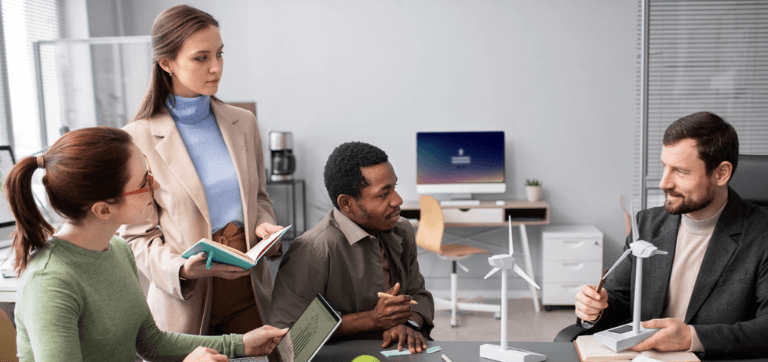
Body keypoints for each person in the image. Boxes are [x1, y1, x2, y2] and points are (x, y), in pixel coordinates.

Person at [6, 127, 287, 361]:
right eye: (143, 181)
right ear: (104, 210)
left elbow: (151, 342)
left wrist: (243, 344)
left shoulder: (117, 250)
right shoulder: (50, 282)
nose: (155, 185)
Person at [119, 4, 283, 336]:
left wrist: (264, 224)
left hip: (250, 292)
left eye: (220, 54)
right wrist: (183, 270)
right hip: (185, 299)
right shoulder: (136, 138)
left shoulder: (244, 123)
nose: (216, 68)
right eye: (201, 58)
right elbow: (137, 238)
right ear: (167, 63)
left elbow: (259, 199)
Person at [574, 112, 768, 359]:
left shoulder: (761, 234)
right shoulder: (647, 223)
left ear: (721, 174)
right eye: (664, 166)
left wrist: (690, 338)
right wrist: (595, 308)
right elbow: (620, 299)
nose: (664, 183)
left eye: (680, 171)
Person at [270, 141, 434, 354]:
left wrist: (407, 324)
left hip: (395, 351)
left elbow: (418, 294)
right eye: (384, 194)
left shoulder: (400, 230)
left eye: (394, 187)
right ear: (347, 203)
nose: (398, 200)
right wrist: (372, 320)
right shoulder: (314, 249)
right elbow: (287, 333)